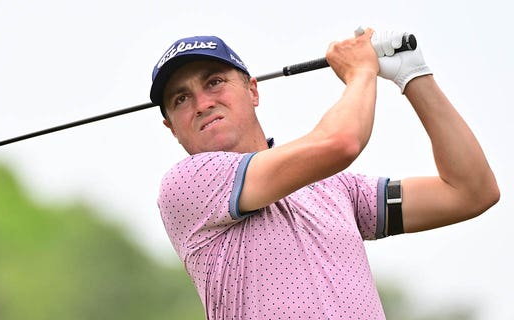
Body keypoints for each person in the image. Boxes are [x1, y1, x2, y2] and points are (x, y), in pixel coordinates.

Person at [150, 28, 499, 319]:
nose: (202, 103)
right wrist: (361, 72)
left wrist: (413, 76)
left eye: (214, 82)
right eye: (181, 99)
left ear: (253, 91)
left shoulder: (336, 188)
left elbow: (470, 191)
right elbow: (342, 142)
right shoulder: (186, 184)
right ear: (171, 128)